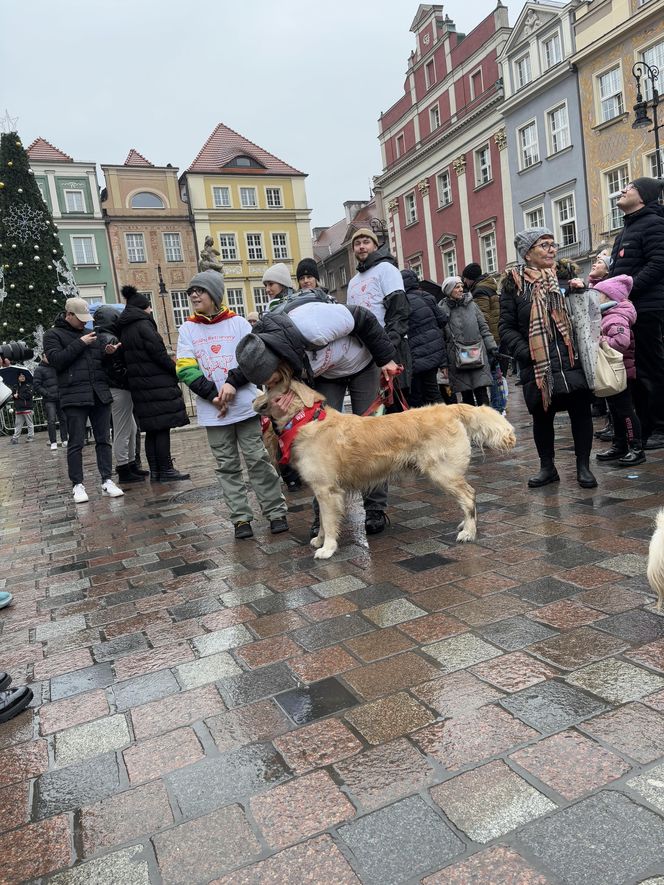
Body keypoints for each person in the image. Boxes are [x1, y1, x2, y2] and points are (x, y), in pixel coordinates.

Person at [231, 299, 399, 539]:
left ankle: (375, 509)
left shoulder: (313, 326)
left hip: (362, 365)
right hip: (328, 375)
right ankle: (323, 517)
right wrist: (230, 383)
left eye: (272, 381)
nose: (271, 387)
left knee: (371, 439)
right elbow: (248, 367)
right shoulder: (264, 349)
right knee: (318, 446)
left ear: (280, 363)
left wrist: (386, 359)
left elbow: (363, 317)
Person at [176, 270, 288, 539]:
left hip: (244, 408)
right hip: (212, 412)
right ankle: (240, 518)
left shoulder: (238, 323)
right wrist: (211, 395)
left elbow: (253, 357)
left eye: (200, 290)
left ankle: (275, 511)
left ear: (214, 294)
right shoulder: (188, 328)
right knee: (227, 466)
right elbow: (185, 366)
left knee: (258, 460)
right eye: (192, 291)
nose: (194, 295)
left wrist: (231, 384)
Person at [499, 228, 596, 489]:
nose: (552, 249)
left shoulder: (566, 278)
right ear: (528, 253)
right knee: (543, 417)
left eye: (553, 244)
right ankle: (547, 467)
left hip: (570, 359)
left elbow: (586, 315)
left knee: (581, 413)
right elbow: (506, 327)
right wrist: (525, 353)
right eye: (544, 245)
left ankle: (583, 467)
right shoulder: (514, 287)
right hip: (538, 363)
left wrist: (581, 290)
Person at [345, 227, 410, 533]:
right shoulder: (354, 281)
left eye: (366, 241)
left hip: (378, 355)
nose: (361, 246)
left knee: (373, 431)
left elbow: (398, 311)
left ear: (376, 245)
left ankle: (375, 507)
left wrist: (389, 351)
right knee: (362, 431)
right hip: (355, 356)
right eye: (357, 242)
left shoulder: (387, 270)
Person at [44, 298, 124, 504]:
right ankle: (77, 485)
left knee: (104, 440)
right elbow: (57, 361)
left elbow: (99, 365)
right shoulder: (52, 335)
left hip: (98, 394)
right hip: (73, 396)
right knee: (76, 443)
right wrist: (80, 343)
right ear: (68, 314)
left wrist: (107, 354)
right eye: (80, 319)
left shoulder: (91, 335)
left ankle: (107, 480)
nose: (83, 323)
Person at [609, 177, 664, 450]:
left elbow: (658, 264)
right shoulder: (625, 231)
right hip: (628, 310)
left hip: (648, 308)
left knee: (651, 368)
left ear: (642, 196)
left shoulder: (654, 224)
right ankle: (643, 427)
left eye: (629, 187)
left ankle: (660, 427)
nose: (622, 190)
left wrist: (626, 289)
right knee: (635, 371)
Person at [117, 286, 190, 482]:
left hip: (140, 384)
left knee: (152, 429)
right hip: (156, 383)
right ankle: (165, 469)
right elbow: (158, 353)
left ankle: (156, 471)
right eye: (149, 307)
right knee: (162, 427)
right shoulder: (143, 325)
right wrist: (175, 370)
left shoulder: (125, 326)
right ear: (143, 308)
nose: (151, 311)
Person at [593, 274, 644, 467]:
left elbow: (620, 343)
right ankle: (620, 444)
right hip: (614, 371)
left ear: (608, 296)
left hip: (620, 371)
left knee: (625, 410)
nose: (595, 297)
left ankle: (636, 448)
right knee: (614, 410)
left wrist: (600, 341)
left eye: (598, 294)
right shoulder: (607, 314)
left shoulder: (616, 316)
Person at [93, 306, 144, 484]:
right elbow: (115, 368)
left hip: (115, 388)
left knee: (130, 428)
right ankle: (124, 467)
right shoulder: (111, 338)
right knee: (124, 429)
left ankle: (130, 465)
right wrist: (130, 378)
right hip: (119, 388)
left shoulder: (98, 337)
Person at [439, 276, 498, 406]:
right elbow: (441, 339)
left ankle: (486, 424)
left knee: (482, 394)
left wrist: (492, 347)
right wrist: (443, 364)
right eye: (457, 287)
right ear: (449, 290)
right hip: (456, 358)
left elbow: (483, 327)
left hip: (478, 354)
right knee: (467, 398)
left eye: (461, 286)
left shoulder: (472, 305)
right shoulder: (442, 310)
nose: (461, 289)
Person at [401, 269, 446, 407]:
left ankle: (420, 425)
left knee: (416, 394)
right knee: (432, 389)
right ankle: (446, 421)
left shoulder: (401, 301)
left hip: (414, 353)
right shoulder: (427, 296)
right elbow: (443, 319)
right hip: (433, 350)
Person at [33, 353, 68, 450]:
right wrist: (47, 394)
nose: (48, 358)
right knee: (51, 420)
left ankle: (64, 440)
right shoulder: (39, 369)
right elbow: (36, 385)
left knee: (63, 419)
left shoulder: (56, 366)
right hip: (49, 399)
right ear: (43, 357)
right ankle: (53, 442)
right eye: (46, 356)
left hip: (60, 397)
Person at [11, 372, 34, 444]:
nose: (22, 377)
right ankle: (15, 438)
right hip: (18, 408)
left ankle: (30, 437)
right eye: (20, 376)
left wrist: (18, 396)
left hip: (27, 407)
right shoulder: (15, 386)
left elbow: (29, 395)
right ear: (18, 378)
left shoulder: (28, 385)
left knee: (29, 423)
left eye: (23, 376)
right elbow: (13, 396)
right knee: (17, 424)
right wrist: (13, 396)